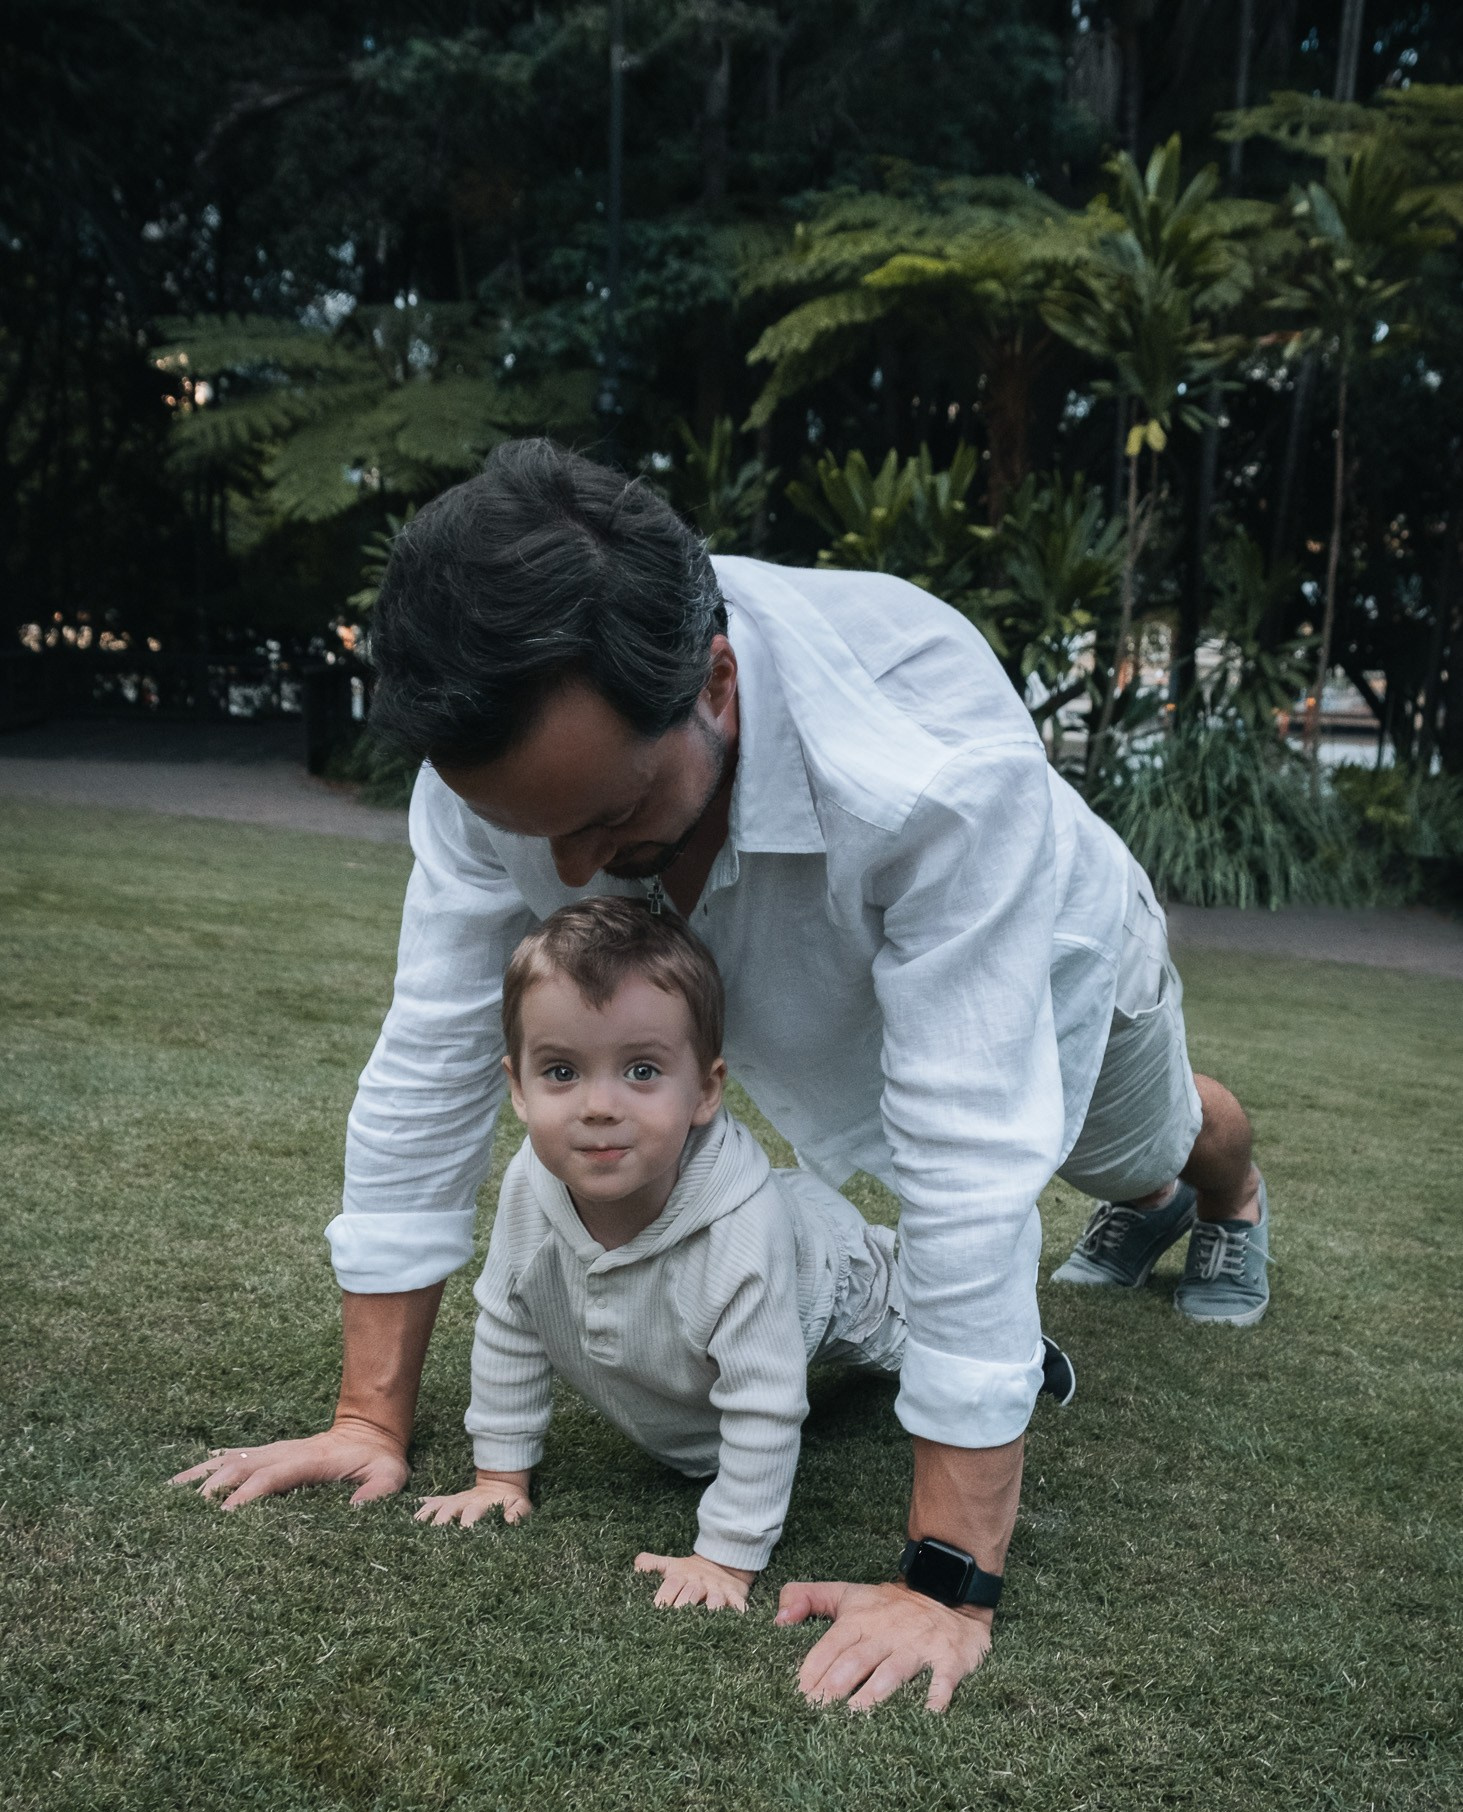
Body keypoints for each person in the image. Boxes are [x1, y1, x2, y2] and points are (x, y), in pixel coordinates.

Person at [172, 438, 1269, 1715]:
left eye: (609, 814)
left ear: (717, 680)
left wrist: (943, 1575)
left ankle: (1218, 1196)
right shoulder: (495, 763)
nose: (574, 873)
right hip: (770, 954)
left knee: (1132, 1146)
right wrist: (368, 1416)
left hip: (1051, 963)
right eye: (539, 831)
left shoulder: (927, 762)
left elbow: (968, 1155)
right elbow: (430, 1057)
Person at [414, 895, 906, 1611]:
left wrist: (726, 1557)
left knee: (922, 1342)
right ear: (516, 1087)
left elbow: (764, 1404)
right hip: (771, 1243)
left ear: (704, 1090)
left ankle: (1011, 1341)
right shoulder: (530, 1180)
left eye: (641, 1071)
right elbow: (510, 1322)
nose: (598, 1106)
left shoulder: (742, 1234)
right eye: (560, 1072)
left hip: (837, 1281)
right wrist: (499, 1476)